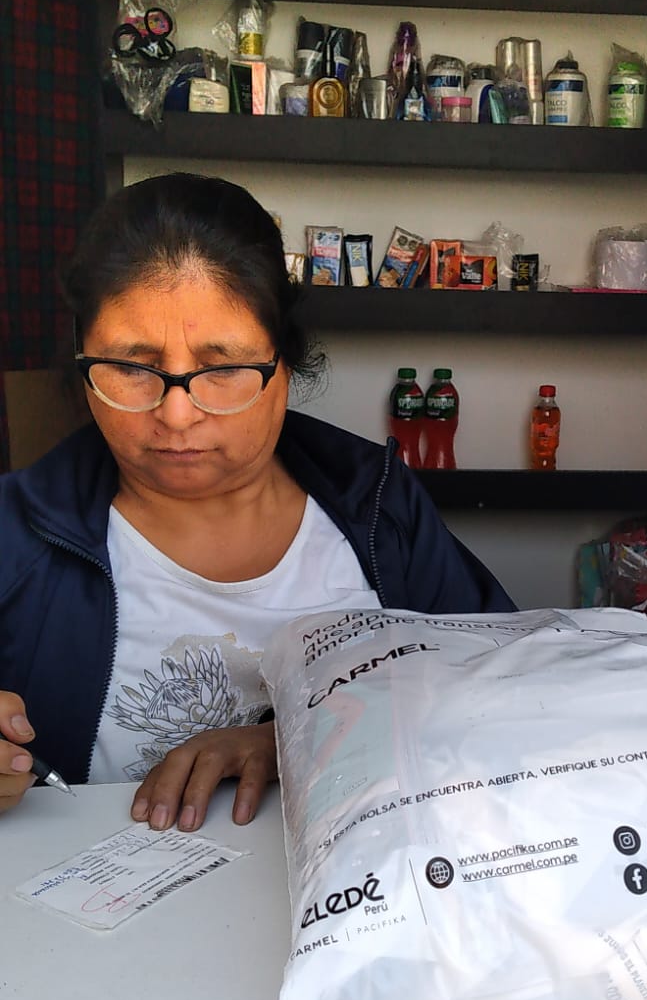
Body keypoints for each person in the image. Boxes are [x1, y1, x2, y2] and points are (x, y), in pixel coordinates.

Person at [0, 173, 515, 831]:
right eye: (131, 367)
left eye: (222, 367)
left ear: (285, 364)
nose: (177, 414)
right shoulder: (15, 538)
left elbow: (505, 693)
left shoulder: (378, 509)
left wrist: (299, 740)